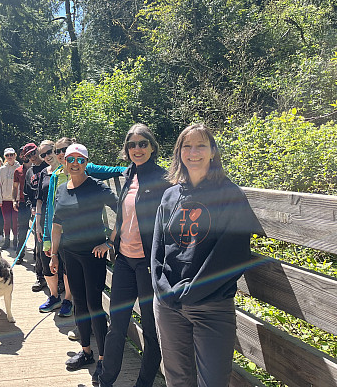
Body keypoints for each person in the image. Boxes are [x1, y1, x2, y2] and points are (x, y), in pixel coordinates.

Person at [151, 124, 262, 387]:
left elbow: (233, 253)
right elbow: (158, 249)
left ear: (213, 152)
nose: (193, 152)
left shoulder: (229, 194)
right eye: (186, 146)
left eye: (201, 145)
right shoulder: (169, 196)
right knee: (177, 379)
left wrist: (192, 291)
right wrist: (163, 289)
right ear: (179, 153)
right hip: (169, 304)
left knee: (213, 381)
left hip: (211, 304)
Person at [95, 124, 169, 387]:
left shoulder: (164, 179)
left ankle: (144, 383)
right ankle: (105, 380)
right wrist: (110, 241)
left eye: (142, 144)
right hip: (125, 261)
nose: (137, 149)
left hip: (149, 266)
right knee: (117, 325)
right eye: (132, 145)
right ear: (126, 150)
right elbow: (124, 217)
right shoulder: (128, 175)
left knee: (151, 330)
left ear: (152, 147)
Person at [49, 144, 118, 386]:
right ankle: (86, 351)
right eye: (70, 159)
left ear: (86, 162)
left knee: (94, 304)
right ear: (64, 163)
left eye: (80, 159)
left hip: (93, 255)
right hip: (70, 253)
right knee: (78, 302)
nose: (75, 163)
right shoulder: (60, 189)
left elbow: (122, 210)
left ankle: (102, 358)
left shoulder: (96, 187)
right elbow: (57, 225)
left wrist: (109, 243)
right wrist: (54, 255)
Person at [35, 140, 73, 315]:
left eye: (50, 152)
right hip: (48, 225)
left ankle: (67, 299)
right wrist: (38, 224)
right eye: (43, 155)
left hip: (68, 228)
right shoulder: (44, 173)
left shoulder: (71, 170)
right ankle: (54, 296)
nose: (47, 156)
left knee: (66, 265)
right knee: (46, 260)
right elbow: (40, 200)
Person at [23, 143, 47, 291]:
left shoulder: (48, 166)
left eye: (34, 153)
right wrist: (30, 206)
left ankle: (59, 280)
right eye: (28, 156)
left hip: (51, 211)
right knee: (38, 247)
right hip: (37, 214)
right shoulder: (29, 172)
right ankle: (40, 277)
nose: (32, 157)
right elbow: (27, 194)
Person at [12, 143, 36, 263]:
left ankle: (38, 254)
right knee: (22, 229)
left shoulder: (39, 168)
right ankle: (20, 253)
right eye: (22, 154)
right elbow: (15, 187)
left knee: (37, 229)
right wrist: (13, 200)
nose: (25, 155)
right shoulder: (18, 171)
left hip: (36, 202)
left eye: (27, 153)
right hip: (22, 203)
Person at [0, 147, 20, 249]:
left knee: (15, 221)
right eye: (7, 155)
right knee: (6, 221)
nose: (9, 157)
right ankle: (6, 240)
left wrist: (20, 198)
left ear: (15, 155)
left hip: (16, 199)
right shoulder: (2, 170)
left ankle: (15, 240)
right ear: (5, 157)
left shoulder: (19, 168)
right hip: (5, 199)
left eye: (11, 155)